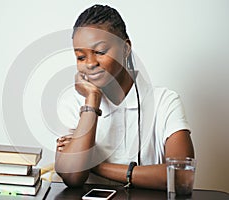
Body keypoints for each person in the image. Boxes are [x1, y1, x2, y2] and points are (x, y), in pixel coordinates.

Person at [54, 4, 194, 190]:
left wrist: (94, 164)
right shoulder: (72, 103)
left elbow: (181, 177)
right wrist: (92, 100)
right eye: (81, 57)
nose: (90, 64)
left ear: (126, 48)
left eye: (100, 52)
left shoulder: (165, 102)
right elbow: (72, 176)